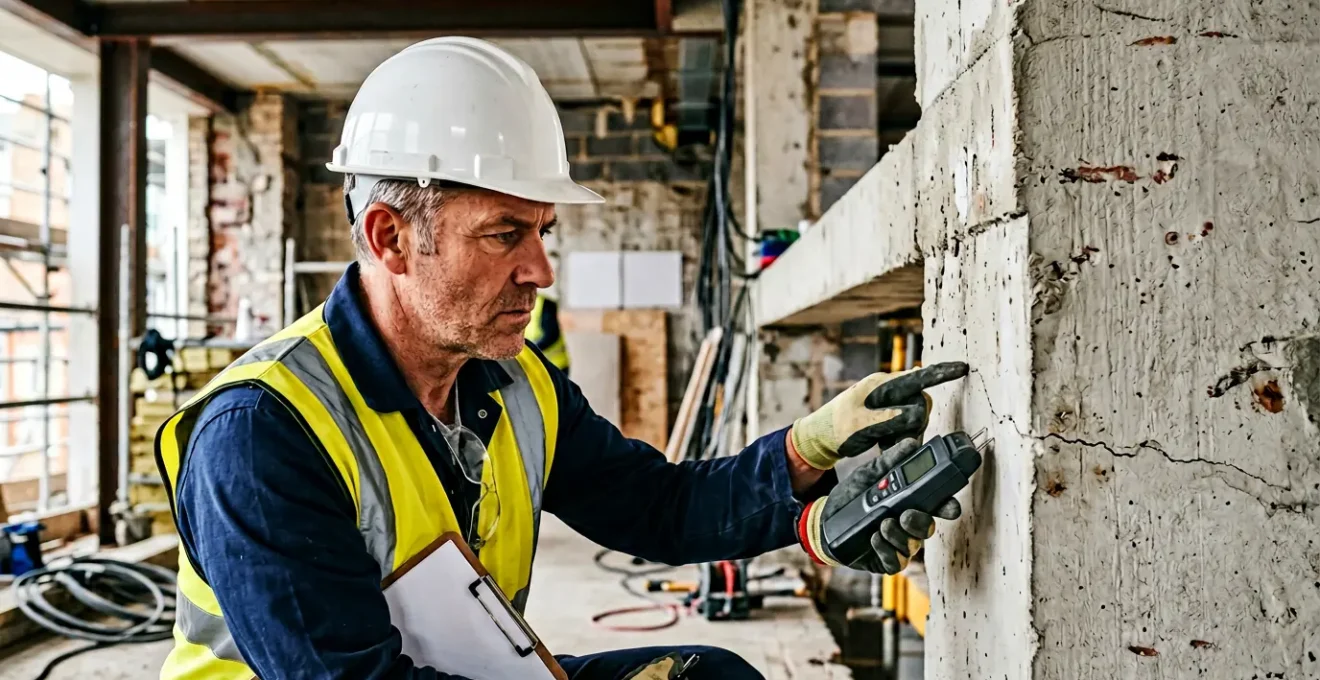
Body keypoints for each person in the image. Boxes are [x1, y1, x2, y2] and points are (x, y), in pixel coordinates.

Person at [153, 37, 968, 680]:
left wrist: (805, 470)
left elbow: (654, 506)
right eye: (505, 233)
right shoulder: (262, 434)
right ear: (390, 237)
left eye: (543, 231)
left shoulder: (515, 385)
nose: (541, 270)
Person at [526, 292, 569, 375]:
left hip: (555, 366)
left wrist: (529, 351)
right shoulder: (514, 306)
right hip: (535, 368)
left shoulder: (544, 304)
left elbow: (551, 335)